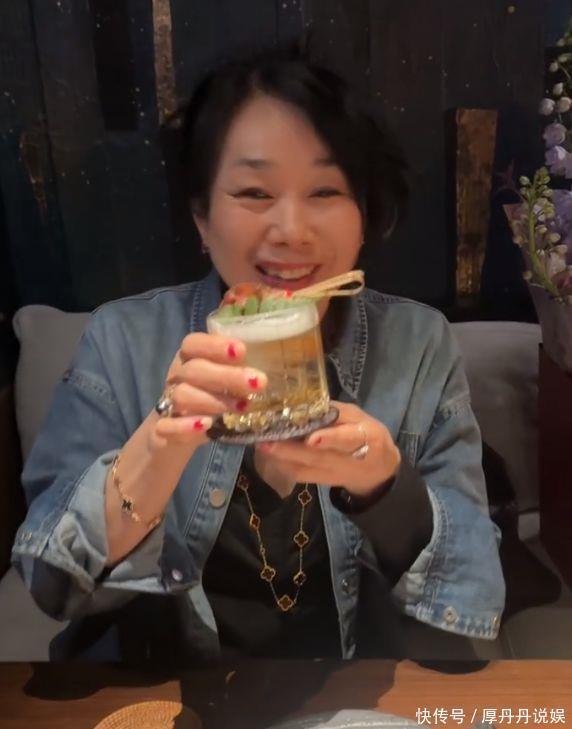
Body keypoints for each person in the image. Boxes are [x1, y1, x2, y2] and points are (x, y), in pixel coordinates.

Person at [12, 47, 505, 663]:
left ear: (362, 216)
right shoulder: (122, 341)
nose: (291, 230)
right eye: (253, 191)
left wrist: (384, 486)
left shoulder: (417, 344)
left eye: (325, 190)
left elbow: (476, 590)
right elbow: (50, 583)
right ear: (202, 218)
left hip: (354, 690)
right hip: (162, 688)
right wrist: (161, 445)